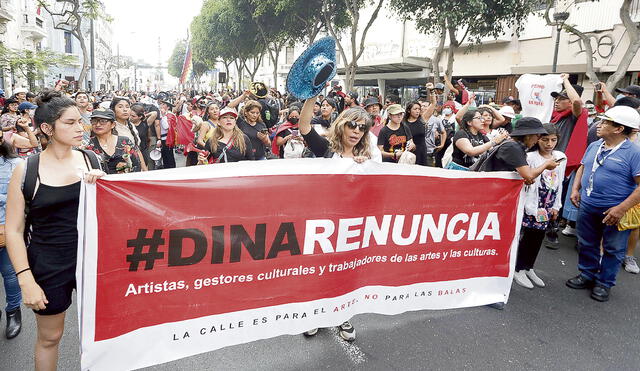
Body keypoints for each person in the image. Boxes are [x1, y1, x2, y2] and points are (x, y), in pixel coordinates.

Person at [5, 89, 104, 370]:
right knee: (50, 337)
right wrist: (26, 281)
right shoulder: (26, 170)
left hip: (91, 261)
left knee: (100, 336)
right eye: (70, 123)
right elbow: (13, 230)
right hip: (48, 264)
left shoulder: (91, 160)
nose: (80, 127)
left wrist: (103, 184)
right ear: (47, 128)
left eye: (80, 121)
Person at [567, 106, 640, 302]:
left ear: (619, 129)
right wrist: (575, 189)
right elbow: (583, 166)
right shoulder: (595, 145)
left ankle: (604, 283)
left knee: (613, 249)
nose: (600, 124)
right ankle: (587, 274)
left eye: (606, 122)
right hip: (588, 205)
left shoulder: (634, 152)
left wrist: (621, 208)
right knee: (586, 242)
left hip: (614, 210)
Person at [514, 124, 566, 289]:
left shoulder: (560, 156)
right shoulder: (530, 157)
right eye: (545, 139)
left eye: (553, 140)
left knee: (539, 236)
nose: (549, 144)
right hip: (533, 202)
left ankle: (529, 267)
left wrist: (557, 205)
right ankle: (518, 268)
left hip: (548, 204)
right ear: (537, 139)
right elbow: (527, 181)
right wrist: (529, 207)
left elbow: (561, 181)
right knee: (528, 235)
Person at [0, 131, 22, 339]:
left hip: (6, 229)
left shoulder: (15, 164)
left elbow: (21, 195)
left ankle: (13, 312)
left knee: (10, 275)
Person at [109, 97, 147, 171]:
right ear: (113, 110)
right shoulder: (110, 127)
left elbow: (137, 149)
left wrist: (144, 169)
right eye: (120, 107)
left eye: (127, 106)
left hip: (135, 166)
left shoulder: (131, 126)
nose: (125, 109)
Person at [129, 104, 155, 170]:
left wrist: (144, 115)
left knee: (144, 169)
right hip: (131, 152)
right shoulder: (128, 124)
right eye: (130, 115)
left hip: (143, 151)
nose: (130, 117)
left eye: (133, 116)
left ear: (140, 116)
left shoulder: (145, 123)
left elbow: (154, 113)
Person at [157, 100, 177, 169]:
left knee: (169, 157)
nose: (161, 106)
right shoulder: (161, 114)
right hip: (162, 139)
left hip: (167, 139)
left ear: (168, 107)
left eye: (163, 104)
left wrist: (163, 116)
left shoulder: (170, 115)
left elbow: (166, 127)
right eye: (161, 104)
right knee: (164, 158)